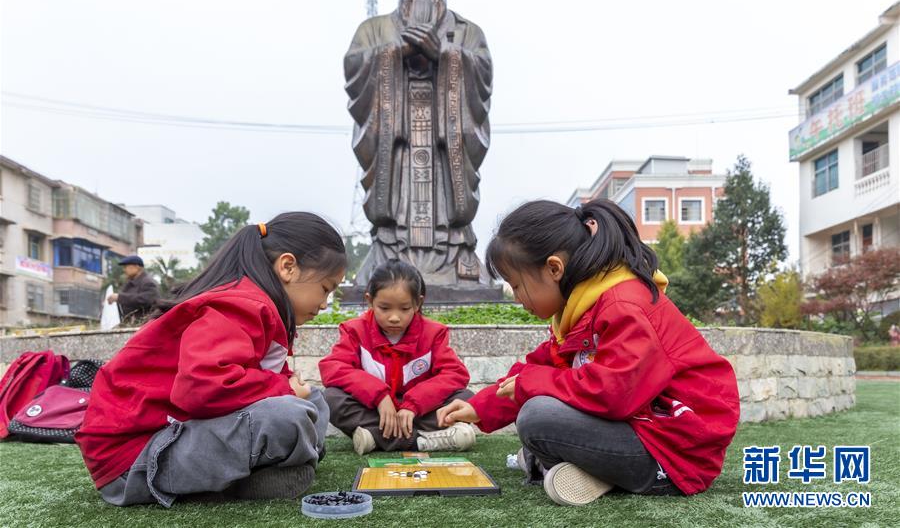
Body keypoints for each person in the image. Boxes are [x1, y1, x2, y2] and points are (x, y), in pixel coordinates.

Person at [436, 199, 740, 506]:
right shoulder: (581, 311)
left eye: (517, 285)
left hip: (676, 453)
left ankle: (598, 470)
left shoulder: (624, 306)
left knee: (537, 418)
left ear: (554, 268)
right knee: (540, 420)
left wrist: (533, 386)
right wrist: (481, 406)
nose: (517, 299)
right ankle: (590, 470)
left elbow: (616, 393)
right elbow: (537, 367)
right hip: (641, 430)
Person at [76, 213, 346, 506]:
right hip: (134, 459)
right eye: (325, 289)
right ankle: (250, 478)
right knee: (289, 415)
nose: (323, 303)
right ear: (288, 267)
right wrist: (284, 389)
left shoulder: (259, 308)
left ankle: (270, 466)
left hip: (177, 434)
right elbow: (199, 386)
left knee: (314, 401)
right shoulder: (239, 305)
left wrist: (286, 388)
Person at [344, 0, 493, 287]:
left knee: (444, 202)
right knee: (399, 207)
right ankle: (389, 255)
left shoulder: (469, 32)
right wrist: (396, 51)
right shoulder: (374, 30)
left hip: (445, 148)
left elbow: (482, 75)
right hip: (397, 150)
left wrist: (444, 53)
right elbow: (355, 70)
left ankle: (456, 257)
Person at [320, 259, 474, 455]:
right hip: (376, 411)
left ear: (418, 303)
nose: (394, 317)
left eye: (404, 309)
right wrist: (379, 396)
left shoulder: (433, 333)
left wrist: (413, 404)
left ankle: (376, 438)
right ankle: (422, 440)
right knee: (331, 398)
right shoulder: (354, 331)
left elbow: (455, 374)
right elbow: (333, 367)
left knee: (466, 399)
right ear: (370, 301)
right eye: (384, 308)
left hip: (418, 411)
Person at [107, 255, 159, 323]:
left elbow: (147, 299)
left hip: (144, 324)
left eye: (126, 267)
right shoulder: (129, 284)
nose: (124, 270)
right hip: (129, 323)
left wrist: (119, 297)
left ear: (136, 267)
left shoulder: (148, 282)